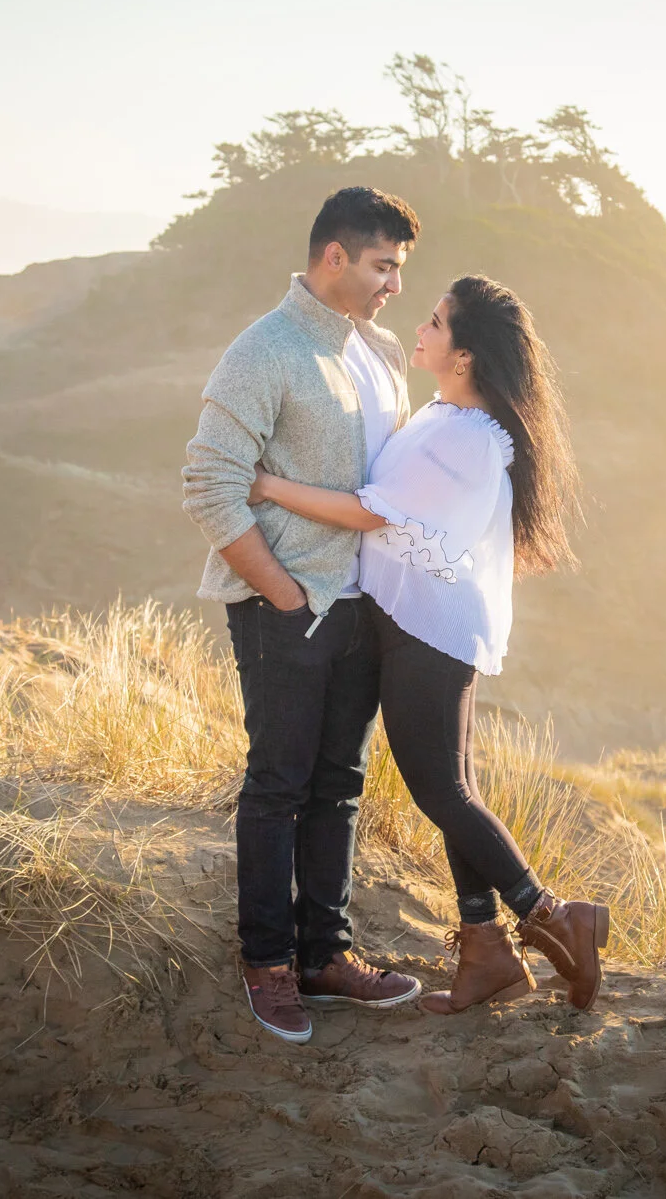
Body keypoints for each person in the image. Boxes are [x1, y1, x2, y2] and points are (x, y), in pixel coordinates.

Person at [248, 274, 610, 1014]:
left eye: (437, 322)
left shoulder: (466, 439)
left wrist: (269, 487)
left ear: (465, 356)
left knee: (440, 789)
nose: (421, 327)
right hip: (408, 622)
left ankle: (551, 915)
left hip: (430, 630)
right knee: (452, 791)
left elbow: (369, 512)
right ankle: (485, 951)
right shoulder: (444, 418)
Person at [181, 186, 427, 1044]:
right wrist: (286, 596)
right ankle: (267, 963)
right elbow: (208, 484)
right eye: (384, 265)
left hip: (365, 607)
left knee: (340, 787)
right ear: (335, 257)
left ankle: (326, 955)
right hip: (285, 607)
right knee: (279, 785)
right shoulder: (264, 349)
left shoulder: (383, 350)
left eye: (400, 267)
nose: (395, 283)